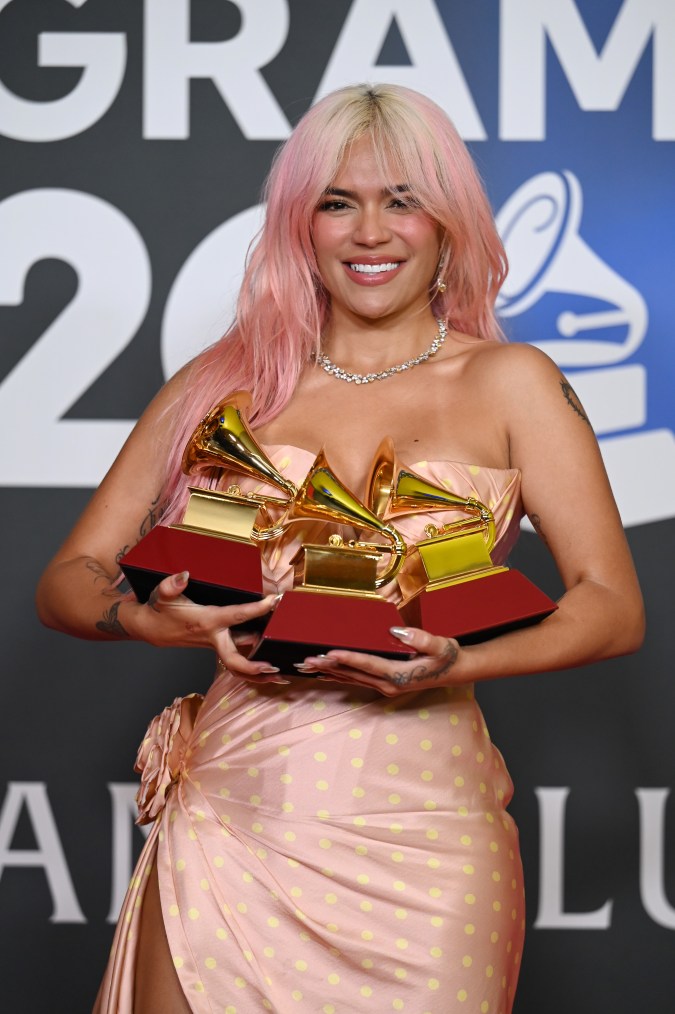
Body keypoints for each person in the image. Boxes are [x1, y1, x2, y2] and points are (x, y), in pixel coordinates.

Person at [36, 83, 644, 1014]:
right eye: (336, 202)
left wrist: (457, 660)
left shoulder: (512, 382)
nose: (369, 233)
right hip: (234, 821)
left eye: (402, 201)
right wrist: (144, 622)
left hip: (426, 842)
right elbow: (68, 580)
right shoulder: (222, 384)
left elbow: (609, 602)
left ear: (448, 224)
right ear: (299, 225)